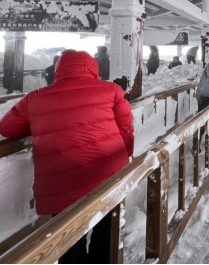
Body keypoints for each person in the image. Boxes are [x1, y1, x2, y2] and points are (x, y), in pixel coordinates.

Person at [0, 50, 134, 264]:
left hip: (61, 184)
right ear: (94, 69)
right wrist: (126, 155)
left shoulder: (36, 97)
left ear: (58, 70)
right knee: (107, 231)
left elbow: (6, 128)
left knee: (69, 240)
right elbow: (126, 128)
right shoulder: (111, 90)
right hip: (107, 175)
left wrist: (42, 123)